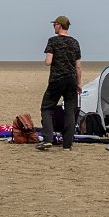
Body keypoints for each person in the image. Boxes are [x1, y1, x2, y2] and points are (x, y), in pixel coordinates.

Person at [39, 15, 82, 151]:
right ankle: (67, 145)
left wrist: (47, 59)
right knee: (70, 111)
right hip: (72, 80)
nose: (54, 27)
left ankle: (47, 139)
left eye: (55, 24)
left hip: (57, 79)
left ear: (59, 25)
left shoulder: (53, 41)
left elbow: (48, 62)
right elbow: (78, 66)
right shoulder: (75, 42)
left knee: (47, 108)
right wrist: (79, 83)